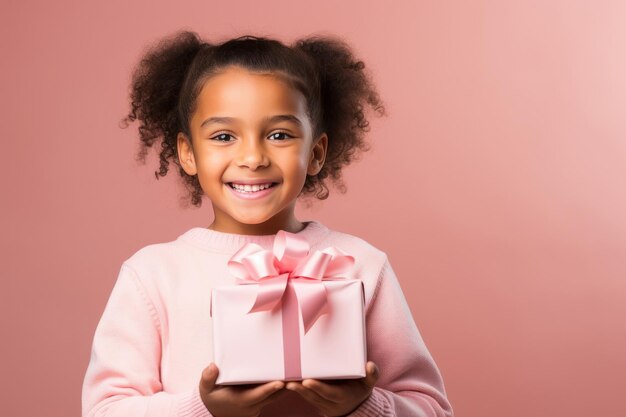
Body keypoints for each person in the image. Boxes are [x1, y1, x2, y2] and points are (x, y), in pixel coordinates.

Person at [81, 30, 454, 417]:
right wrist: (202, 408)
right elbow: (105, 410)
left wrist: (364, 405)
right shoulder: (154, 275)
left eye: (279, 134)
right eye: (224, 136)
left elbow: (432, 409)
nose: (253, 157)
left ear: (316, 152)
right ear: (188, 153)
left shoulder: (360, 264)